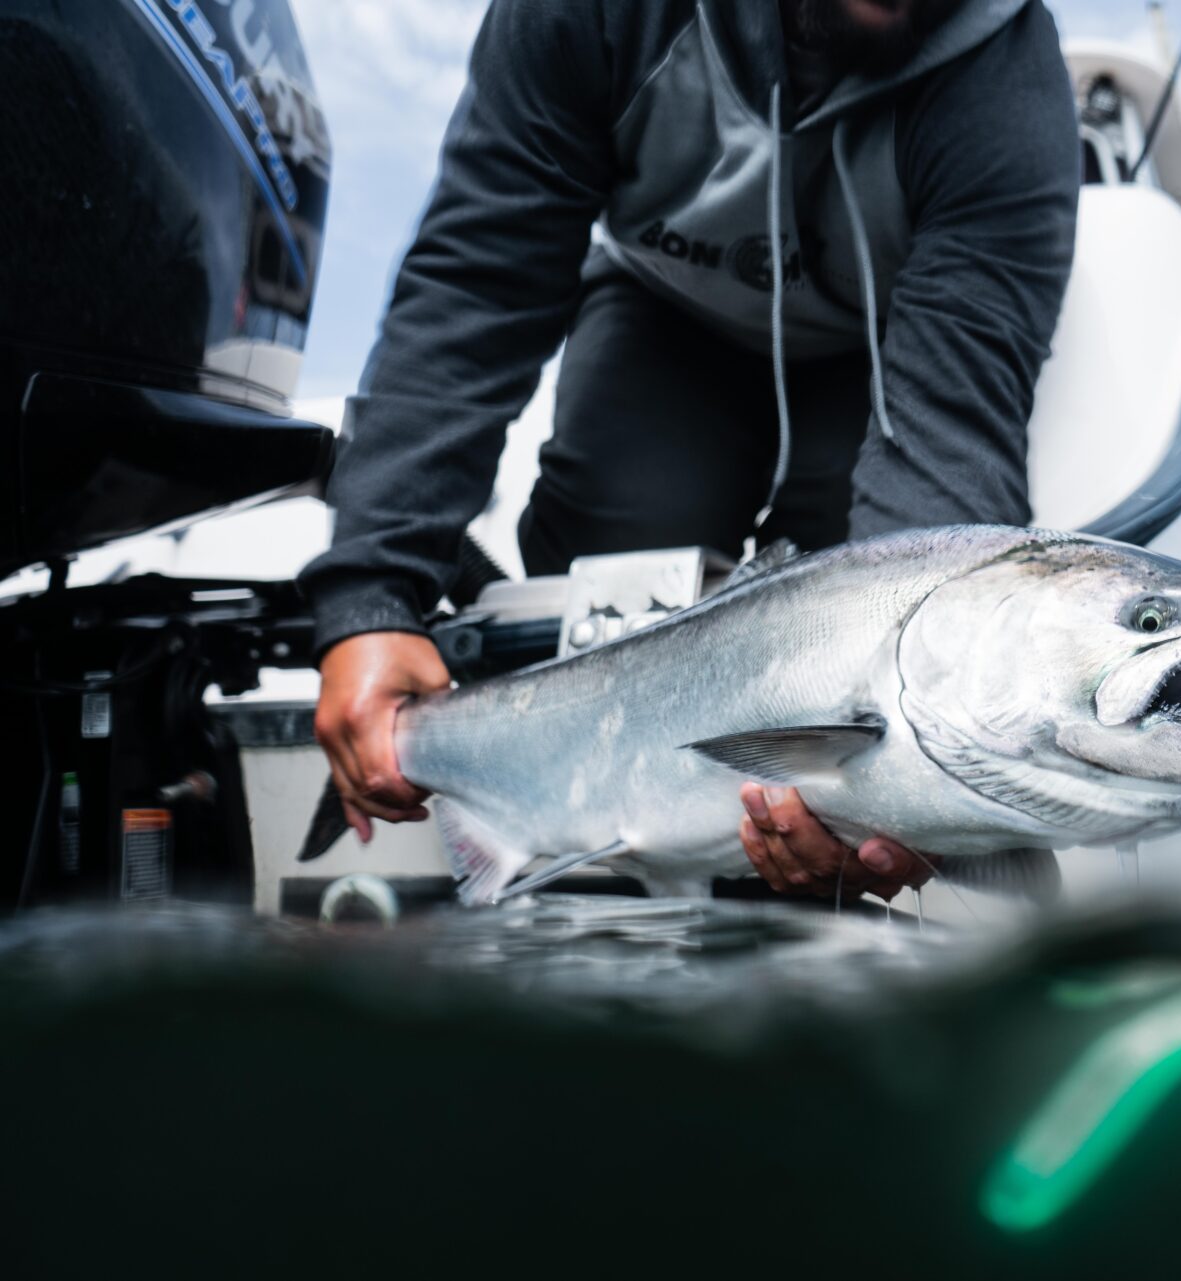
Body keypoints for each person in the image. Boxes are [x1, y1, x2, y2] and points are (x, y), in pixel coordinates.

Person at [299, 0, 1080, 900]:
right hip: (663, 311)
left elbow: (949, 436)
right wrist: (370, 595)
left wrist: (922, 795)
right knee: (606, 559)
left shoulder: (1007, 87)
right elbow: (479, 284)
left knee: (849, 719)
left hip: (884, 346)